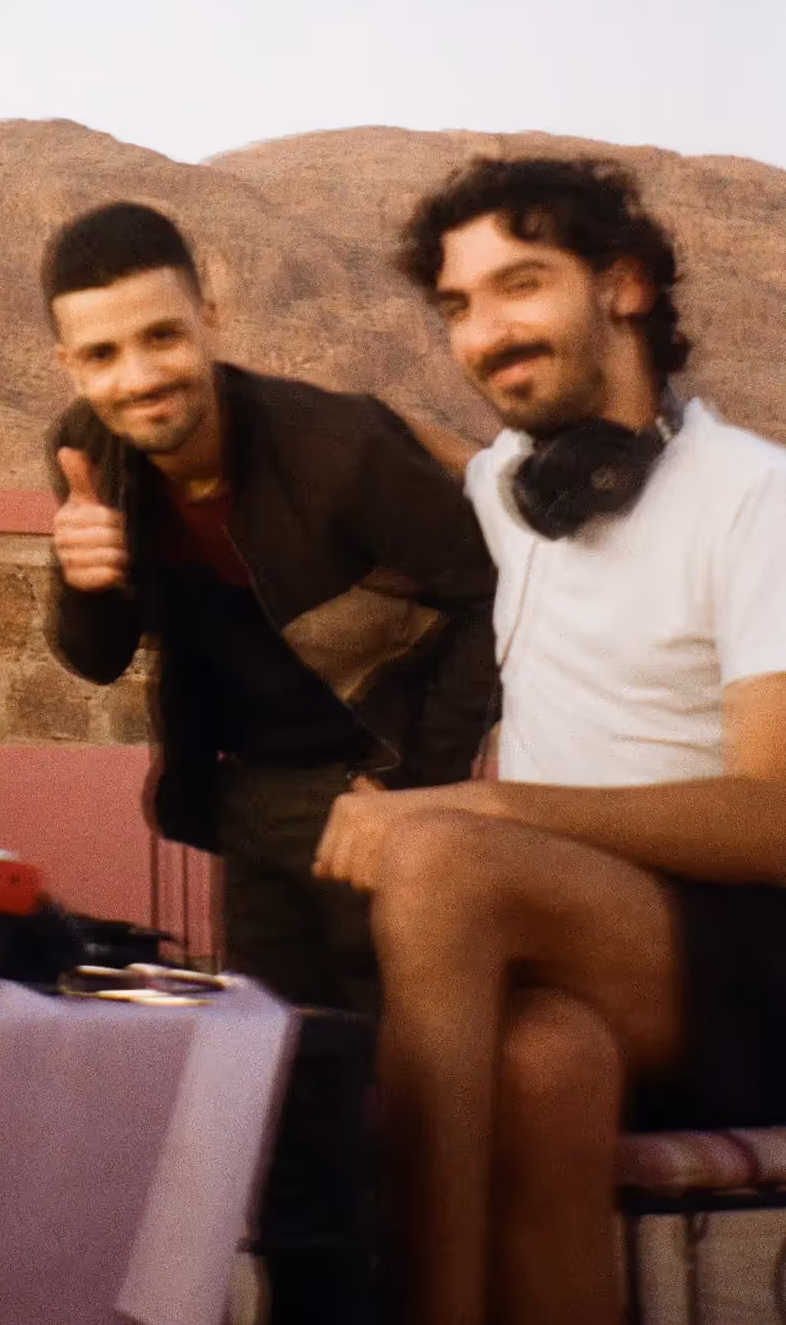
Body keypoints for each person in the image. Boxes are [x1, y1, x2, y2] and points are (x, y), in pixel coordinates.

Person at [313, 155, 786, 1325]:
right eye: (459, 305)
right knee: (542, 1065)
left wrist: (492, 806)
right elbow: (371, 446)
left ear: (624, 285)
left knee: (440, 859)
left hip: (749, 961)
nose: (486, 332)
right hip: (576, 953)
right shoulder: (511, 493)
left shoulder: (756, 498)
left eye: (520, 284)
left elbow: (774, 817)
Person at [41, 199, 496, 1013]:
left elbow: (491, 592)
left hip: (365, 785)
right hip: (238, 790)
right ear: (68, 363)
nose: (138, 378)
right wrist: (86, 581)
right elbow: (98, 657)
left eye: (162, 335)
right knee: (268, 1036)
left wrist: (416, 783)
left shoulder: (340, 450)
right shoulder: (88, 447)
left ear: (209, 318)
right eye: (102, 353)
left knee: (390, 1031)